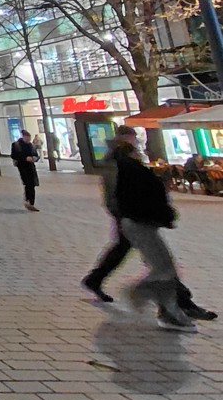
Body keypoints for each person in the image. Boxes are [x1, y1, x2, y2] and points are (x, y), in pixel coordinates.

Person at [82, 127, 215, 323]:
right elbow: (116, 193)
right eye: (132, 138)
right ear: (123, 138)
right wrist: (126, 215)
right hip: (132, 218)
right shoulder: (118, 162)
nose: (136, 142)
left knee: (141, 258)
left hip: (134, 218)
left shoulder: (122, 160)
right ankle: (177, 303)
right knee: (162, 266)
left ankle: (96, 280)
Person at [113, 129, 199, 331]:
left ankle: (170, 312)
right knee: (165, 270)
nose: (140, 150)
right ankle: (138, 292)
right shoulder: (129, 170)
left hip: (141, 222)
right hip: (139, 223)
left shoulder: (129, 169)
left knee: (165, 268)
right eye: (136, 147)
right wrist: (161, 214)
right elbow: (140, 197)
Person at [11, 129, 40, 211]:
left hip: (31, 166)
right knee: (28, 183)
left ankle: (30, 202)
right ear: (24, 137)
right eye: (27, 138)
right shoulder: (16, 145)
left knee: (32, 184)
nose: (28, 140)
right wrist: (25, 158)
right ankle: (28, 200)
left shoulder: (31, 145)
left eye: (29, 139)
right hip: (22, 167)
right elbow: (14, 155)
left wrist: (34, 158)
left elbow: (36, 155)